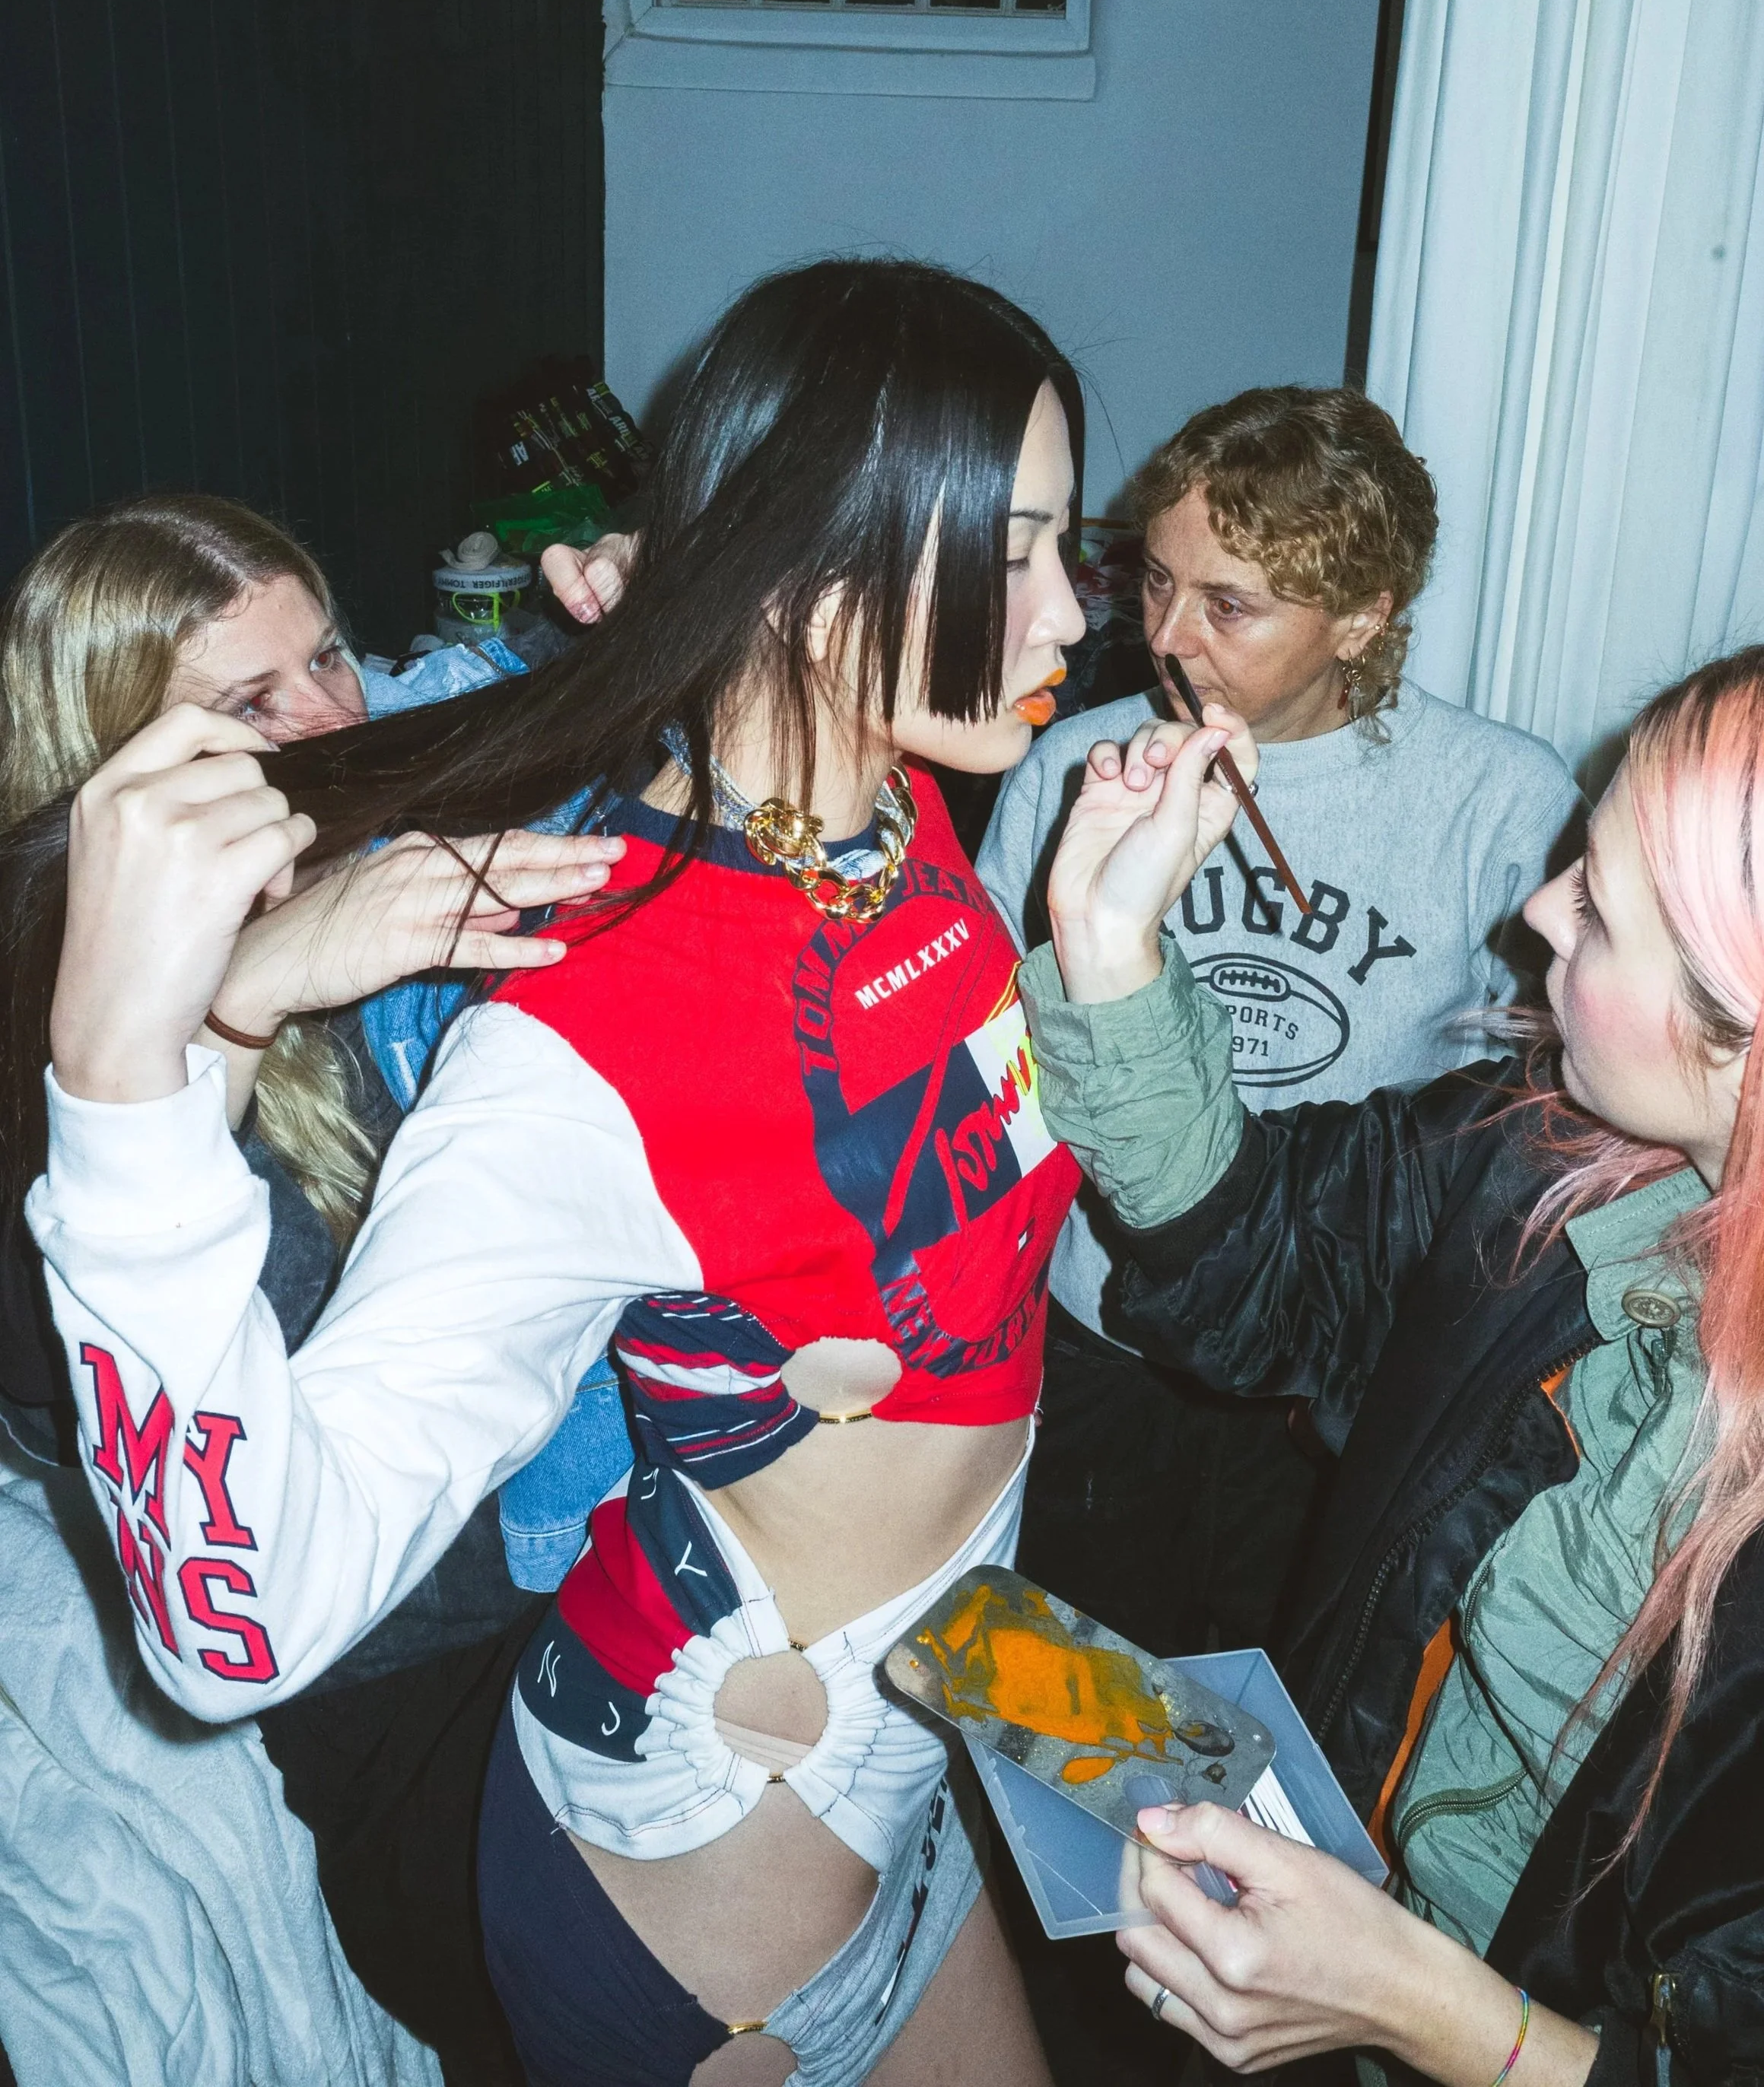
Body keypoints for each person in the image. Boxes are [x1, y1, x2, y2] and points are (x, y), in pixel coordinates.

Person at [17, 257, 1093, 2087]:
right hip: (706, 1893)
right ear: (820, 582)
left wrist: (1095, 1721)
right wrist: (137, 1075)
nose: (1073, 608)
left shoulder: (899, 814)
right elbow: (236, 1627)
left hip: (913, 1753)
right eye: (1014, 551)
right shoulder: (581, 1048)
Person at [1008, 650, 1764, 2085]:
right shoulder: (1551, 1166)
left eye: (1599, 909)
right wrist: (1107, 946)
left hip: (1446, 2030)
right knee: (1012, 1669)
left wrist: (1423, 2012)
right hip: (1328, 1908)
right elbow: (1266, 1266)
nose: (1536, 910)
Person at [0, 491, 628, 2087]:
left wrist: (628, 636)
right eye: (248, 703)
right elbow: (114, 1406)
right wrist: (232, 1013)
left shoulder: (355, 829)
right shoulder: (57, 1015)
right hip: (388, 1679)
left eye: (330, 657)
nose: (328, 719)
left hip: (553, 1555)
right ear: (112, 770)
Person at [978, 386, 1581, 1660]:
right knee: (1085, 1711)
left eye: (1228, 605)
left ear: (1362, 615)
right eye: (1153, 582)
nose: (1165, 638)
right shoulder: (1073, 766)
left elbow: (1536, 1116)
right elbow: (982, 1065)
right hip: (1102, 1338)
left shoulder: (1501, 800)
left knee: (1279, 1733)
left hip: (1333, 1376)